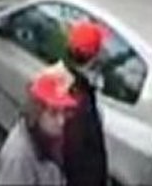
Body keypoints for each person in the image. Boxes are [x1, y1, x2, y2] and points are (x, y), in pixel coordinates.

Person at [0, 65, 77, 186]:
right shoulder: (19, 157)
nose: (61, 121)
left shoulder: (49, 137)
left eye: (64, 112)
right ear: (36, 112)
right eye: (53, 113)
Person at [62, 20, 108, 186]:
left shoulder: (74, 84)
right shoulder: (78, 101)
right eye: (100, 48)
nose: (105, 51)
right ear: (93, 57)